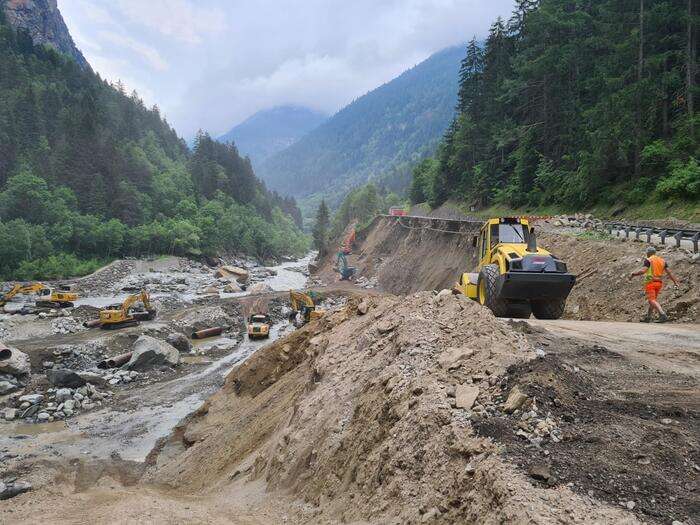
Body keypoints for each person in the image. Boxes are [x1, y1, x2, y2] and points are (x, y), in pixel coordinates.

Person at [628, 247, 679, 323]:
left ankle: (662, 315)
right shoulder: (662, 261)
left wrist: (633, 274)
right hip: (659, 283)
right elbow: (669, 273)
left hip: (651, 282)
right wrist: (675, 282)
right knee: (653, 300)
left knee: (651, 300)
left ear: (648, 253)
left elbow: (643, 271)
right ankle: (648, 317)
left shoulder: (649, 260)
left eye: (646, 253)